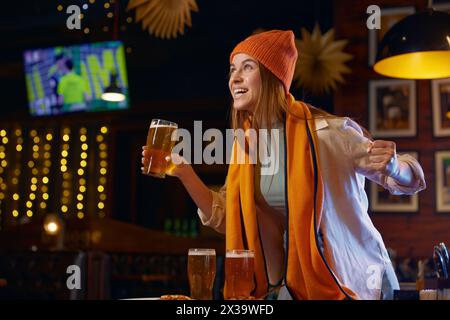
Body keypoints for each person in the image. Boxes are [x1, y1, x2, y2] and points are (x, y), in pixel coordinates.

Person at [141, 30, 426, 300]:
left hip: (355, 281)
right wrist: (184, 172)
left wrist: (393, 166)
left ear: (271, 75)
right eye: (232, 69)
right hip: (296, 287)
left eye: (247, 68)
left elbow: (411, 180)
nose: (235, 78)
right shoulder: (248, 145)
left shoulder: (327, 133)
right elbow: (230, 217)